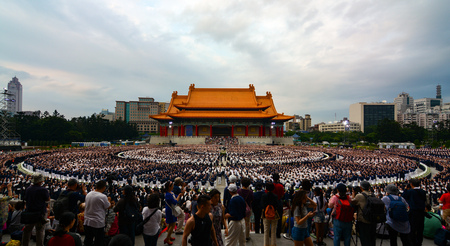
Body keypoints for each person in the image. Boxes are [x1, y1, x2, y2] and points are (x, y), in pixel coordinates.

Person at [22, 174, 50, 246]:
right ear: (41, 181)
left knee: (27, 231)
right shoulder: (43, 189)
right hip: (40, 213)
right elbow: (47, 199)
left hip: (30, 212)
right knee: (40, 231)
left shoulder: (28, 189)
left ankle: (24, 244)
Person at [84, 180, 110, 246]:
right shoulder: (102, 196)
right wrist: (109, 200)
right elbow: (108, 206)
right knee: (99, 241)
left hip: (87, 221)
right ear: (104, 187)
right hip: (98, 222)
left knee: (88, 239)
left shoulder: (89, 194)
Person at [402, 178, 426, 246]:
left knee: (412, 229)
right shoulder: (423, 191)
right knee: (420, 229)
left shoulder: (410, 192)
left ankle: (412, 243)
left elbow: (403, 197)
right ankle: (419, 243)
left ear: (411, 184)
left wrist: (406, 189)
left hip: (413, 212)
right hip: (421, 213)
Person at [351, 181, 376, 246]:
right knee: (372, 239)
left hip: (363, 220)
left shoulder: (360, 196)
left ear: (361, 187)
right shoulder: (373, 195)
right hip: (373, 220)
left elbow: (352, 203)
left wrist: (353, 193)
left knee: (364, 239)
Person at [164, 181, 183, 245]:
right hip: (170, 210)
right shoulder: (168, 194)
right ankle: (167, 238)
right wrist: (179, 196)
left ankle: (169, 236)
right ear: (169, 187)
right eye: (172, 185)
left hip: (171, 210)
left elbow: (175, 196)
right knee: (172, 224)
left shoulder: (170, 193)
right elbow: (175, 201)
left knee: (170, 224)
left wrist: (179, 195)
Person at [237, 177, 253, 241]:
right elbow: (252, 200)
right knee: (247, 222)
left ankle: (240, 235)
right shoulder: (250, 192)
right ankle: (247, 236)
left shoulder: (239, 191)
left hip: (240, 208)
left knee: (240, 222)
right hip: (248, 209)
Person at [272, 173, 285, 238]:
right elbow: (282, 195)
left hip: (271, 203)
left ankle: (271, 233)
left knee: (271, 217)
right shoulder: (280, 186)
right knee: (279, 218)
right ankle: (278, 233)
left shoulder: (271, 185)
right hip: (279, 202)